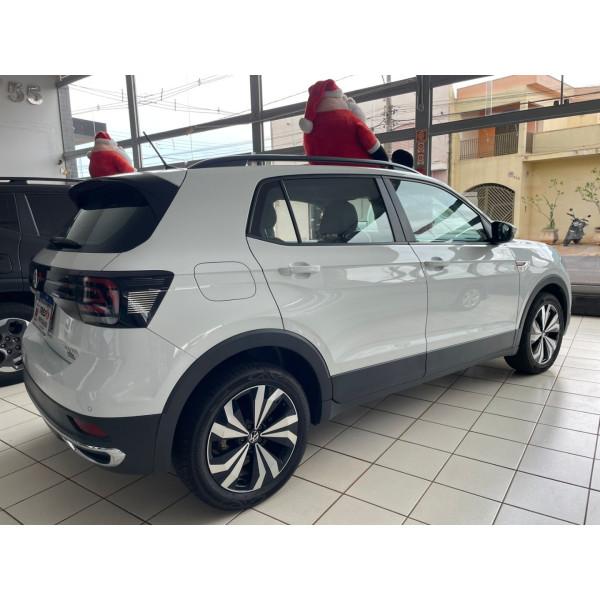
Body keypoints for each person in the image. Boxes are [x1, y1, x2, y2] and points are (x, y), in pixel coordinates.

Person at [299, 79, 388, 163]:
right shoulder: (351, 121)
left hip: (321, 171)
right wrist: (386, 162)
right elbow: (374, 147)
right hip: (361, 169)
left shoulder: (310, 129)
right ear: (338, 98)